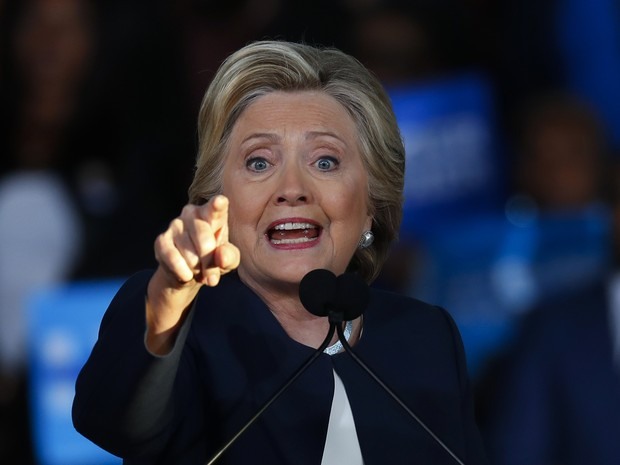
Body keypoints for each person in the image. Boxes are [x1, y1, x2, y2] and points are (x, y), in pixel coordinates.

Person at [72, 40, 488, 465]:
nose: (292, 189)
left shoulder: (427, 337)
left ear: (371, 207)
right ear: (219, 202)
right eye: (259, 162)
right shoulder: (180, 326)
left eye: (325, 162)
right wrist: (166, 301)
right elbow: (116, 422)